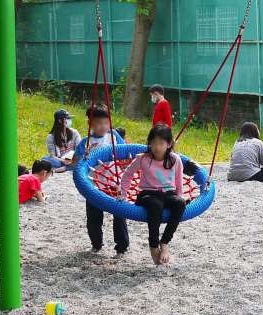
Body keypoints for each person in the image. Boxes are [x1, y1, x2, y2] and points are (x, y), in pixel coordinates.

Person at [119, 125, 186, 266]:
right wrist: (122, 194)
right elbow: (128, 175)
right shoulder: (143, 158)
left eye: (161, 143)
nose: (157, 147)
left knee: (180, 203)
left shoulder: (175, 160)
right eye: (153, 143)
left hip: (168, 193)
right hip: (147, 194)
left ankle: (165, 242)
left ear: (168, 144)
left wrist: (180, 197)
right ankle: (154, 245)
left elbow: (179, 182)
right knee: (156, 205)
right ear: (149, 143)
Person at [73, 104, 129, 256]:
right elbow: (74, 163)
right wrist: (84, 156)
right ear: (89, 123)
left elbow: (125, 153)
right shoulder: (86, 142)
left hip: (114, 182)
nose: (103, 126)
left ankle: (121, 247)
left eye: (106, 122)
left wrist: (125, 163)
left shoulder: (113, 136)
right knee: (94, 217)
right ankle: (96, 244)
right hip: (93, 185)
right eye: (98, 123)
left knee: (119, 214)